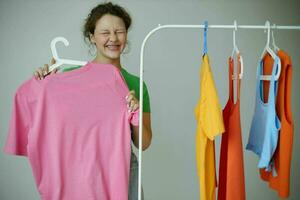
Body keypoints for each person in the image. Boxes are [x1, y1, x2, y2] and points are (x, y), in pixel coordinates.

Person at [33, 2, 152, 200]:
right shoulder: (69, 77)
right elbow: (47, 130)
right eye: (105, 32)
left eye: (119, 31)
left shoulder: (136, 84)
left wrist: (135, 113)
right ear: (92, 37)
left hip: (122, 170)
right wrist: (43, 88)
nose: (113, 38)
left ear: (126, 35)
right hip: (79, 171)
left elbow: (144, 143)